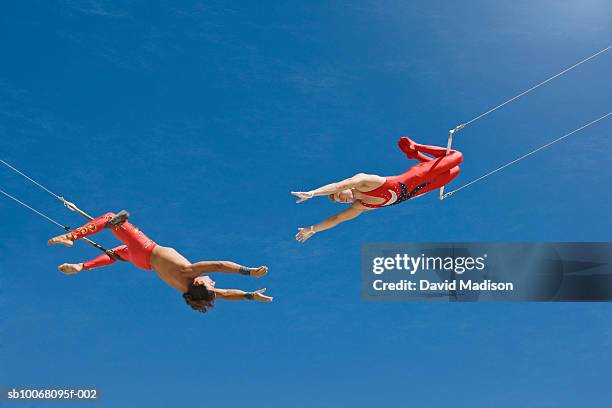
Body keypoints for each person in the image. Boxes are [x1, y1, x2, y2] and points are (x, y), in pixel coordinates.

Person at [48, 211, 272, 313]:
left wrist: (249, 272)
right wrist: (251, 295)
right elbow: (228, 294)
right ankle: (82, 266)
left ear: (198, 285)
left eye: (210, 284)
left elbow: (221, 265)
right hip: (144, 263)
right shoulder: (187, 286)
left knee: (110, 219)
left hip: (146, 249)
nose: (213, 283)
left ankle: (70, 237)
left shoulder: (189, 273)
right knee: (117, 253)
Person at [292, 136, 463, 242]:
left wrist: (313, 193)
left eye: (339, 196)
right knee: (454, 172)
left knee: (456, 156)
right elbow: (336, 219)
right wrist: (312, 229)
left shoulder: (365, 182)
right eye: (339, 202)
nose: (342, 200)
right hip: (425, 187)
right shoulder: (361, 206)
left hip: (418, 174)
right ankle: (415, 155)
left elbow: (339, 185)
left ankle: (417, 148)